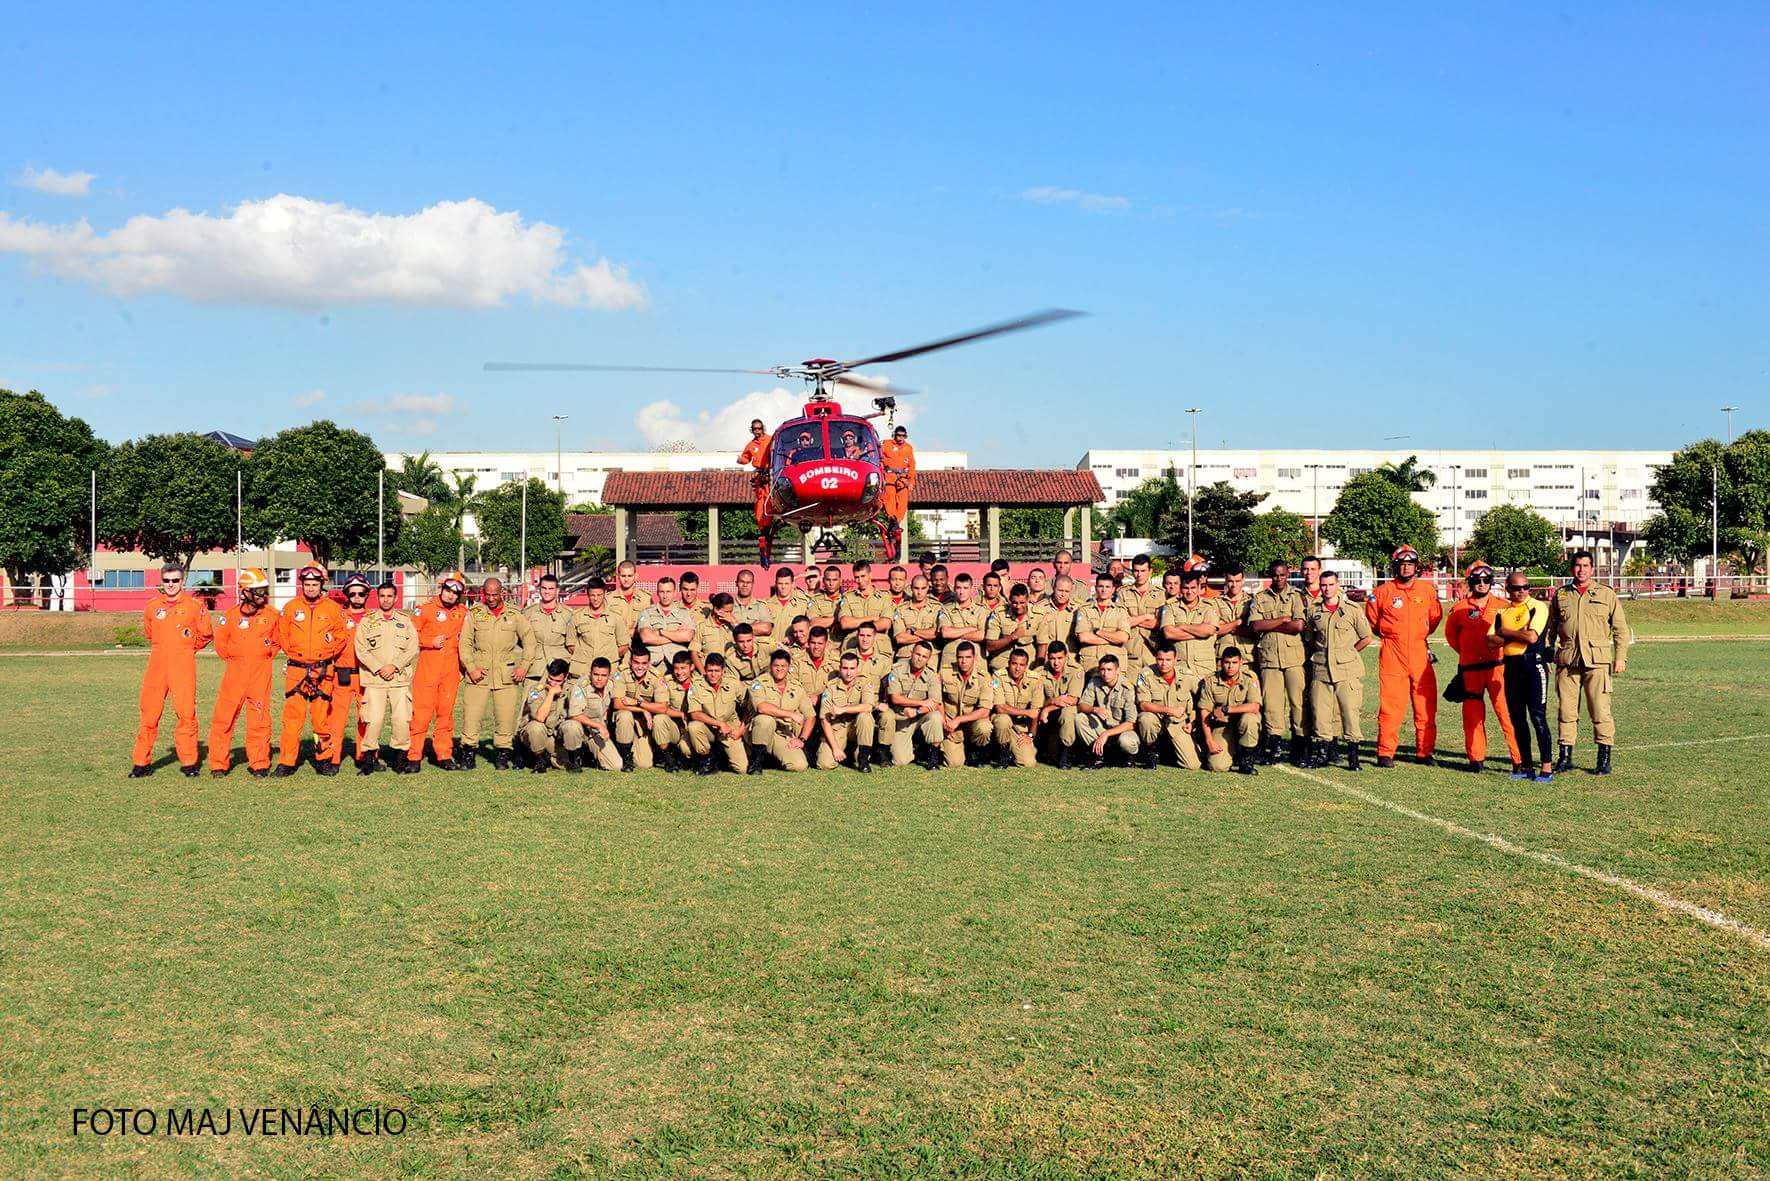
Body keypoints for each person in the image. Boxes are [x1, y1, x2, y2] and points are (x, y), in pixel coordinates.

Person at [1544, 550, 1630, 774]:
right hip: (1568, 660)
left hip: (1597, 661)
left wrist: (1620, 657)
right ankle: (1565, 757)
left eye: (1585, 565)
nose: (1581, 570)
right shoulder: (1561, 595)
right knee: (1566, 711)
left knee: (1600, 711)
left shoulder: (1606, 594)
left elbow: (1620, 629)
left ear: (1592, 569)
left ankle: (1603, 759)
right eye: (1577, 565)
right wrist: (1547, 652)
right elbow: (1550, 629)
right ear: (1572, 568)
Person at [131, 563, 215, 777]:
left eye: (175, 580)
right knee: (149, 713)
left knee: (186, 713)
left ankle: (189, 763)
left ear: (182, 581)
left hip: (183, 664)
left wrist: (186, 649)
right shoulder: (152, 607)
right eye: (167, 580)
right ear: (162, 581)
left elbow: (206, 633)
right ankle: (141, 763)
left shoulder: (194, 606)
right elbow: (150, 632)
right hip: (157, 664)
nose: (171, 585)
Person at [1365, 545, 1443, 767]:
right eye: (1402, 564)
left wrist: (1418, 635)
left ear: (1416, 567)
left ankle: (1425, 752)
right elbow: (1372, 621)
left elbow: (1435, 618)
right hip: (1392, 652)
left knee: (1425, 705)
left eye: (1410, 564)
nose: (1406, 567)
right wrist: (1393, 635)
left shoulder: (1427, 591)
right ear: (1396, 566)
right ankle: (1385, 753)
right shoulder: (1383, 592)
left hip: (1419, 652)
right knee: (1391, 706)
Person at [1444, 562, 1522, 774]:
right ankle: (1476, 759)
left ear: (1491, 581)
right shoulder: (1458, 609)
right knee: (1472, 715)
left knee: (1506, 714)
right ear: (1470, 582)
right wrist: (1468, 654)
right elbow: (1451, 637)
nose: (1481, 584)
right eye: (1477, 580)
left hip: (1499, 668)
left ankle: (1518, 759)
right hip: (1470, 669)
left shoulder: (1504, 606)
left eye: (1486, 580)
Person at [275, 564, 348, 776]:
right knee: (292, 719)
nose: (310, 588)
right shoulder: (290, 608)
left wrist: (325, 654)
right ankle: (287, 762)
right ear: (302, 585)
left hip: (322, 671)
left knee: (321, 720)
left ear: (321, 585)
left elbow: (341, 637)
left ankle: (323, 759)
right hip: (297, 671)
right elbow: (283, 635)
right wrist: (296, 655)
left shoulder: (333, 609)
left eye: (314, 585)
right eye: (307, 584)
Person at [458, 577, 537, 770]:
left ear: (502, 593)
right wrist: (471, 668)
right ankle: (468, 753)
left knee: (505, 716)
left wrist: (523, 667)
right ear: (482, 593)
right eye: (488, 594)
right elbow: (465, 644)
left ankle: (502, 753)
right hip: (479, 673)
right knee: (472, 716)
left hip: (506, 674)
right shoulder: (474, 614)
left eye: (495, 594)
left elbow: (529, 641)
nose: (491, 598)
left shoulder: (514, 614)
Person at [206, 566, 278, 777]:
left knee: (259, 720)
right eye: (258, 591)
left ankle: (259, 763)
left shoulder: (272, 615)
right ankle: (219, 764)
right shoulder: (229, 616)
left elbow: (276, 643)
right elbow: (221, 646)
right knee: (224, 718)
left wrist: (260, 657)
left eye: (265, 590)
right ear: (245, 591)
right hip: (234, 675)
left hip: (260, 674)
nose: (263, 595)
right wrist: (239, 659)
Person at [1303, 571, 1372, 770]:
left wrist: (1349, 653)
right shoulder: (1314, 610)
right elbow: (1310, 638)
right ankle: (1323, 753)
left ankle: (1353, 756)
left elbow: (1366, 637)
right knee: (1321, 713)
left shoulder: (1351, 609)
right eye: (1323, 585)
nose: (1327, 589)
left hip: (1347, 669)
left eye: (1331, 584)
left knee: (1350, 713)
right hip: (1322, 669)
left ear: (1338, 585)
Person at [1491, 573, 1555, 782]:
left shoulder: (1537, 607)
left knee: (1538, 718)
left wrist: (1505, 632)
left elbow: (1532, 637)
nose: (1522, 592)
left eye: (1525, 587)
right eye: (1517, 588)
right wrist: (1516, 632)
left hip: (1533, 666)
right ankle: (1526, 766)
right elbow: (1490, 641)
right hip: (1511, 667)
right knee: (1518, 720)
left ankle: (1546, 766)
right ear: (1508, 589)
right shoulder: (1503, 611)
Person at [1245, 559, 1308, 765]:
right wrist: (1282, 621)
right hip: (1270, 658)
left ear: (1288, 574)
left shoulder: (1296, 596)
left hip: (1293, 659)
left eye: (1282, 574)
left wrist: (1269, 625)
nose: (1278, 578)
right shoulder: (1260, 597)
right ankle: (1275, 746)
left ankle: (1300, 746)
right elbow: (1255, 626)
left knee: (1297, 703)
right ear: (1270, 575)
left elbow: (1298, 626)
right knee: (1272, 705)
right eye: (1275, 574)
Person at [354, 579, 419, 775]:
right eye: (382, 596)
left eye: (389, 596)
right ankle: (368, 762)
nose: (386, 600)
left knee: (401, 719)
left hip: (399, 679)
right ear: (377, 598)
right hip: (375, 679)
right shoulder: (368, 620)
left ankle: (400, 761)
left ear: (396, 598)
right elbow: (361, 650)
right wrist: (379, 668)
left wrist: (394, 666)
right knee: (373, 720)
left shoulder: (405, 621)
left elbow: (412, 647)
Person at [406, 571, 469, 770]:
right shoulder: (424, 609)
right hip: (428, 669)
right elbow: (410, 635)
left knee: (445, 714)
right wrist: (428, 642)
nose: (451, 595)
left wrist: (464, 669)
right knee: (421, 714)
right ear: (441, 588)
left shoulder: (463, 613)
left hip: (451, 671)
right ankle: (414, 756)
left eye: (455, 592)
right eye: (448, 590)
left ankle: (444, 754)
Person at [324, 573, 374, 772]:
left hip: (367, 675)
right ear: (347, 594)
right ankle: (332, 758)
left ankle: (365, 756)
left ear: (366, 594)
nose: (356, 597)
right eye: (352, 593)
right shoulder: (337, 617)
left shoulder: (374, 619)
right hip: (342, 674)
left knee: (367, 717)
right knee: (336, 719)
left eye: (361, 593)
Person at [1134, 646, 1201, 770]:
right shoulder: (1144, 674)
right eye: (1160, 659)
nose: (1163, 663)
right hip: (1155, 719)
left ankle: (1169, 752)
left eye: (1168, 660)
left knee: (1192, 765)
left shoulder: (1187, 675)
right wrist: (1170, 710)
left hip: (1177, 723)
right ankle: (1150, 750)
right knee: (1145, 719)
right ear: (1156, 658)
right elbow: (1143, 704)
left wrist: (1194, 722)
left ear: (1175, 659)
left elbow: (1203, 699)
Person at [749, 650, 816, 772]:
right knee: (765, 719)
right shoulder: (759, 683)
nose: (779, 669)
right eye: (776, 666)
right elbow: (761, 707)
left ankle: (773, 759)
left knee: (799, 765)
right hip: (759, 732)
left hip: (782, 733)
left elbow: (810, 715)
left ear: (789, 667)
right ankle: (756, 761)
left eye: (783, 666)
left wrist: (802, 739)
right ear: (770, 666)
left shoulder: (796, 687)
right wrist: (790, 714)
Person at [1197, 647, 1261, 774]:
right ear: (1221, 663)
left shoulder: (1250, 679)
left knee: (1250, 718)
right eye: (1227, 662)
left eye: (1234, 663)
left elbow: (1255, 706)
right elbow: (1204, 711)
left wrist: (1227, 709)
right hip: (1222, 727)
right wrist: (1209, 740)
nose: (1230, 666)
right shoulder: (1210, 681)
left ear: (1241, 663)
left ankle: (1246, 762)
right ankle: (1232, 753)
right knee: (1217, 766)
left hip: (1243, 724)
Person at [884, 641, 945, 769]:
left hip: (921, 716)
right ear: (911, 653)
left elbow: (935, 702)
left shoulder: (932, 675)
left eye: (924, 656)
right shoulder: (897, 670)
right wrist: (921, 703)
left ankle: (933, 758)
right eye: (917, 654)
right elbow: (895, 698)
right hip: (902, 719)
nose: (919, 659)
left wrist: (917, 711)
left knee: (935, 716)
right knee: (901, 760)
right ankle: (916, 746)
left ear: (928, 659)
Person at [817, 652, 880, 771]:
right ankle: (845, 751)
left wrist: (843, 709)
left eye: (852, 668)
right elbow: (824, 719)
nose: (848, 672)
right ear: (840, 669)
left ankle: (863, 759)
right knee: (824, 764)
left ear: (857, 669)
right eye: (845, 668)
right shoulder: (831, 687)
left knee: (865, 717)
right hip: (838, 728)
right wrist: (835, 748)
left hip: (856, 728)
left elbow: (868, 707)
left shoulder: (865, 683)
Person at [686, 653, 749, 774]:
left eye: (717, 671)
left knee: (742, 768)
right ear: (705, 669)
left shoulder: (733, 683)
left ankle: (722, 757)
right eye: (710, 671)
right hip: (708, 727)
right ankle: (707, 759)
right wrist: (719, 723)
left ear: (723, 670)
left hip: (730, 727)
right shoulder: (697, 685)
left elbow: (748, 706)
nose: (713, 674)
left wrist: (741, 728)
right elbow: (695, 713)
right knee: (694, 727)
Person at [937, 642, 996, 767]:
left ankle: (974, 750)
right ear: (956, 657)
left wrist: (959, 719)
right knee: (954, 763)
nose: (963, 661)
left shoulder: (984, 677)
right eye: (960, 657)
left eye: (968, 657)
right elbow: (937, 700)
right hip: (950, 724)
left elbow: (985, 710)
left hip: (971, 724)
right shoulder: (945, 672)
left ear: (974, 658)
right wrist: (944, 721)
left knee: (984, 728)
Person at [1076, 654, 1139, 769]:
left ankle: (1128, 758)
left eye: (1109, 670)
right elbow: (1081, 706)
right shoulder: (1095, 682)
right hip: (1103, 727)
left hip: (1122, 730)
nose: (1105, 673)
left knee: (1127, 742)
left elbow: (1131, 723)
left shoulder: (1127, 688)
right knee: (1080, 718)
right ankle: (1098, 756)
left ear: (1118, 670)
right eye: (1102, 670)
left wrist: (1106, 734)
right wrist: (1094, 709)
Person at [1157, 570, 1219, 687]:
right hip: (1180, 669)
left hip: (1204, 668)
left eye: (1193, 588)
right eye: (1186, 588)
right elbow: (1169, 633)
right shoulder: (1170, 607)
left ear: (1199, 587)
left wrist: (1182, 626)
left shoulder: (1208, 607)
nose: (1189, 592)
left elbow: (1209, 630)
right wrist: (1199, 633)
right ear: (1181, 588)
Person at [517, 658, 579, 774]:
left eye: (557, 681)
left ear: (565, 677)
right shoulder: (536, 690)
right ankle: (539, 761)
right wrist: (551, 694)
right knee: (536, 727)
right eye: (550, 678)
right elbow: (540, 718)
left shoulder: (571, 690)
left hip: (554, 735)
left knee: (563, 763)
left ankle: (566, 758)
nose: (552, 683)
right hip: (534, 734)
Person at [565, 657, 624, 772]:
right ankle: (574, 761)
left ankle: (590, 756)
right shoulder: (581, 686)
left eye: (603, 675)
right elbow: (574, 714)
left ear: (609, 675)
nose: (599, 679)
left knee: (616, 765)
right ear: (590, 673)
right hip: (579, 728)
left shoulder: (611, 685)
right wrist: (599, 726)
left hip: (596, 730)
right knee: (572, 726)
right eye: (596, 674)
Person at [611, 648, 665, 771]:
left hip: (643, 724)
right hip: (625, 720)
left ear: (649, 663)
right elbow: (617, 704)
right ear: (630, 662)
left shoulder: (656, 676)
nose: (640, 667)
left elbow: (662, 707)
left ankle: (634, 747)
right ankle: (626, 758)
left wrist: (638, 703)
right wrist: (642, 710)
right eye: (636, 662)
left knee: (644, 764)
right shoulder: (621, 672)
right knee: (625, 715)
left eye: (644, 663)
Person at [1035, 641, 1085, 769]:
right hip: (1047, 718)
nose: (1056, 662)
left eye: (1059, 658)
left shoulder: (1076, 670)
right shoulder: (1039, 673)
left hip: (1065, 714)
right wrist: (1053, 701)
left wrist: (1048, 708)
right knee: (1051, 755)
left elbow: (1073, 699)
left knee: (1068, 712)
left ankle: (1066, 753)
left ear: (1066, 657)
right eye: (1052, 658)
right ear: (1047, 657)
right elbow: (1036, 701)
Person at [991, 649, 1045, 768]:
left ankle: (1012, 752)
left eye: (1021, 665)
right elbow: (1000, 707)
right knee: (1003, 720)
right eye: (1014, 664)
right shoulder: (997, 677)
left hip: (1021, 728)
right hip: (1002, 723)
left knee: (1028, 763)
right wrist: (1026, 712)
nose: (1017, 668)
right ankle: (1002, 753)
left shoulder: (1036, 679)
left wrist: (1031, 735)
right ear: (1009, 663)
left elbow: (1036, 712)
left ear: (1026, 666)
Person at [650, 651, 700, 772]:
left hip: (694, 727)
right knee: (659, 718)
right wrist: (681, 714)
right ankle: (668, 759)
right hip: (676, 726)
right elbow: (663, 707)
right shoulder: (667, 681)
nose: (679, 672)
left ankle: (697, 759)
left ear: (692, 667)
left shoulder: (700, 682)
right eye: (676, 668)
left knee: (686, 749)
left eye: (683, 668)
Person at [1074, 572, 1132, 676]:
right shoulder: (1084, 609)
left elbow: (1123, 638)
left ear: (1113, 589)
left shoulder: (1120, 610)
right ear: (1096, 588)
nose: (1104, 590)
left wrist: (1098, 632)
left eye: (1107, 587)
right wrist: (1113, 639)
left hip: (1115, 666)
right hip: (1091, 665)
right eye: (1101, 586)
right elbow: (1083, 637)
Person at [524, 572, 577, 684]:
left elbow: (573, 642)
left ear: (557, 591)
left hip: (560, 668)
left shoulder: (569, 614)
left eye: (551, 588)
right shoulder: (528, 613)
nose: (547, 591)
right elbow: (521, 639)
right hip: (535, 668)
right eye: (544, 588)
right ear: (539, 589)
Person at [634, 576, 696, 670]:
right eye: (662, 592)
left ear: (675, 593)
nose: (665, 596)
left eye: (668, 592)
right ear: (657, 593)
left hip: (677, 666)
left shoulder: (684, 613)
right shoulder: (647, 612)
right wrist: (676, 635)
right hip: (652, 666)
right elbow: (646, 638)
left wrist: (660, 632)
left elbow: (687, 637)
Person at [1117, 554, 1165, 674]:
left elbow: (1160, 624)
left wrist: (1134, 621)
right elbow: (1121, 622)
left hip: (1152, 650)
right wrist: (1146, 617)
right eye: (1136, 571)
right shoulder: (1123, 593)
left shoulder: (1161, 594)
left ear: (1150, 571)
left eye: (1143, 571)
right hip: (1130, 651)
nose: (1139, 575)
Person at [570, 577, 623, 680]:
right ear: (587, 595)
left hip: (608, 671)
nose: (596, 598)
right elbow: (570, 644)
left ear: (605, 593)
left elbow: (623, 645)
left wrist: (609, 657)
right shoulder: (577, 616)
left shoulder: (615, 616)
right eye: (592, 595)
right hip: (583, 671)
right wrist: (585, 657)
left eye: (599, 595)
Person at [738, 418, 774, 564]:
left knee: (771, 501)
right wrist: (740, 460)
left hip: (771, 475)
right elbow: (746, 457)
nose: (757, 431)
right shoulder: (751, 445)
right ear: (752, 430)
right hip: (760, 477)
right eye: (755, 429)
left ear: (763, 428)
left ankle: (769, 525)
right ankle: (763, 529)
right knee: (760, 505)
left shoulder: (771, 440)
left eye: (759, 428)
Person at [838, 559, 894, 652]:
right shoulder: (848, 597)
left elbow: (885, 623)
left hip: (879, 646)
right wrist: (870, 618)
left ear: (870, 575)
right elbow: (845, 623)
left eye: (863, 576)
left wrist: (856, 623)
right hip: (853, 645)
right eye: (856, 577)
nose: (860, 580)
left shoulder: (884, 597)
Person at [936, 573, 989, 668]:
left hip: (975, 660)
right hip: (951, 659)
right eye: (958, 588)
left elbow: (982, 635)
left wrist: (957, 634)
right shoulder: (945, 608)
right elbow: (945, 633)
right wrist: (971, 629)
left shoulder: (981, 610)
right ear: (954, 589)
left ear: (971, 589)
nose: (961, 592)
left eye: (965, 588)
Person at [983, 583, 1038, 674]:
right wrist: (1012, 637)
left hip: (1027, 669)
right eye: (1015, 603)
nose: (1018, 606)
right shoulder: (998, 614)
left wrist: (1036, 671)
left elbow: (1042, 645)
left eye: (1022, 603)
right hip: (1001, 669)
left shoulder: (1037, 615)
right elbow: (990, 645)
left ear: (1028, 599)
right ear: (1010, 600)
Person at [609, 561, 653, 657]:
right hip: (617, 648)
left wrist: (636, 632)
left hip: (640, 649)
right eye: (623, 576)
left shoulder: (646, 598)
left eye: (629, 576)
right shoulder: (608, 599)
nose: (626, 579)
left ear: (635, 576)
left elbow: (652, 625)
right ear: (618, 576)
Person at [890, 574, 942, 655]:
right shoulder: (901, 609)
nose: (919, 592)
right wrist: (926, 636)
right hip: (906, 655)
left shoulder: (937, 608)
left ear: (928, 588)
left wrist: (912, 631)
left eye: (923, 588)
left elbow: (937, 634)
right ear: (911, 588)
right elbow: (899, 638)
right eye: (916, 588)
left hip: (930, 655)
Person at [880, 424, 916, 538]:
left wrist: (911, 481)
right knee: (889, 499)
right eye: (898, 435)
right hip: (889, 477)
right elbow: (879, 460)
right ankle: (892, 519)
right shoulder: (886, 444)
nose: (900, 438)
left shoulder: (908, 448)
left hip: (902, 479)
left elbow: (912, 465)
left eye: (903, 436)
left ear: (905, 436)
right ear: (894, 435)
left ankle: (896, 523)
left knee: (903, 503)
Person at [691, 592, 739, 677]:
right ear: (716, 609)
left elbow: (744, 639)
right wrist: (704, 674)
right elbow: (694, 653)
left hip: (728, 674)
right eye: (727, 611)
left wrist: (735, 623)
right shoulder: (702, 626)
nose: (730, 614)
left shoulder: (733, 626)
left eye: (731, 611)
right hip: (708, 673)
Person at [1038, 575, 1080, 663]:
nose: (1063, 594)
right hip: (1048, 661)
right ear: (1053, 588)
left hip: (1071, 661)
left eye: (1067, 591)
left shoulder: (1078, 609)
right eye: (1060, 590)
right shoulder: (1040, 608)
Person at [766, 567, 810, 643]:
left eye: (786, 584)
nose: (783, 587)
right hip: (773, 650)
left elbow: (810, 626)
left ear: (792, 584)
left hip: (794, 650)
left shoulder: (803, 604)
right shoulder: (766, 605)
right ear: (776, 584)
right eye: (780, 584)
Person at [731, 568, 774, 638]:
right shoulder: (728, 604)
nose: (745, 585)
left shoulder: (760, 606)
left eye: (748, 582)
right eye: (742, 582)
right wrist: (755, 627)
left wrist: (735, 624)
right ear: (736, 583)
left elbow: (766, 629)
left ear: (752, 584)